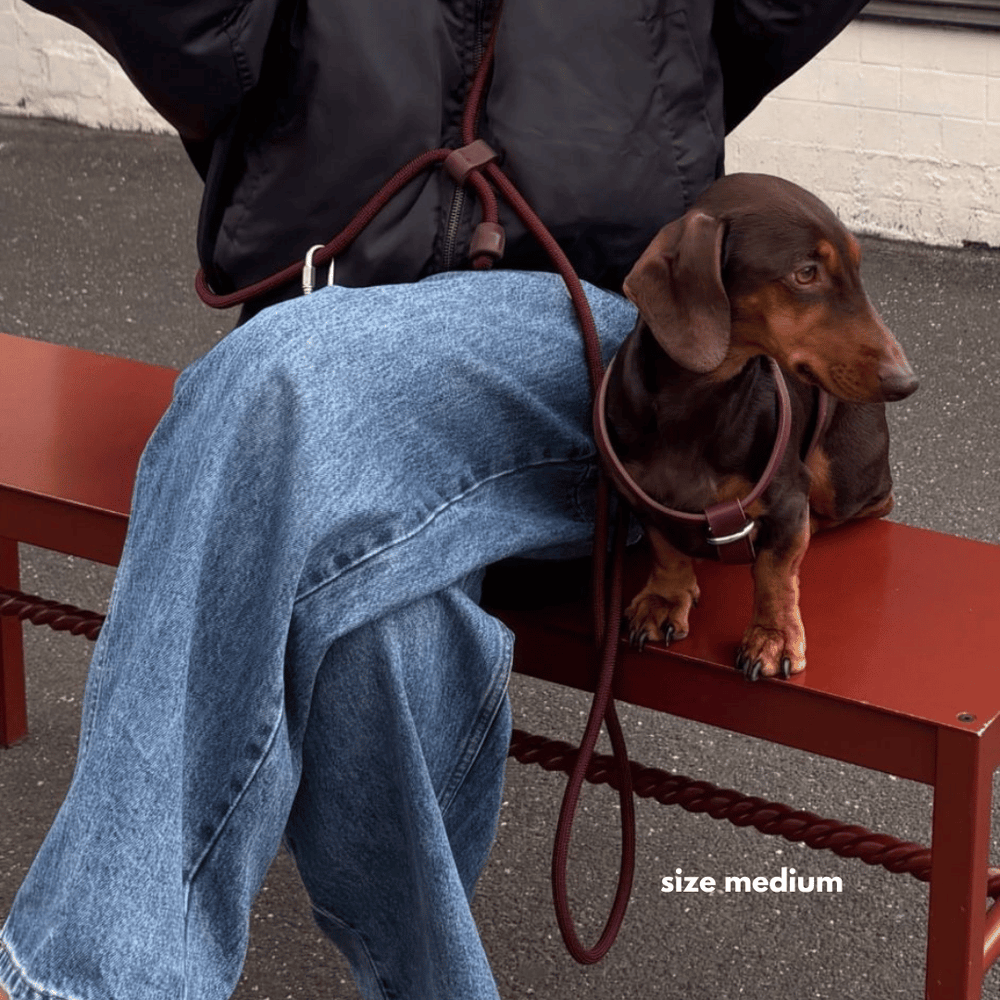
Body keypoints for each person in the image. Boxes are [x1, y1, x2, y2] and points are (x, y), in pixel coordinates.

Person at [0, 3, 869, 998]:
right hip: (329, 310)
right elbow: (201, 57)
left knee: (271, 389)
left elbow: (749, 36)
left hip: (599, 346)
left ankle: (78, 979)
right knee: (381, 630)